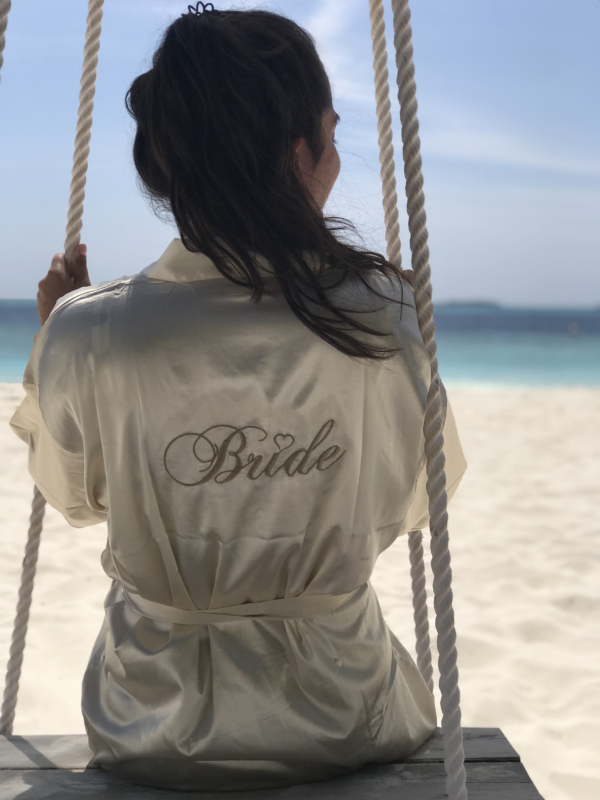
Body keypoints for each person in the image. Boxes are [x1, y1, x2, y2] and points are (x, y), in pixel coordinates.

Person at [10, 3, 467, 793]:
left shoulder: (90, 330)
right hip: (343, 714)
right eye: (331, 133)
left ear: (162, 165)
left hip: (148, 720)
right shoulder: (382, 315)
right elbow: (418, 502)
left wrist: (58, 336)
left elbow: (73, 499)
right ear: (302, 151)